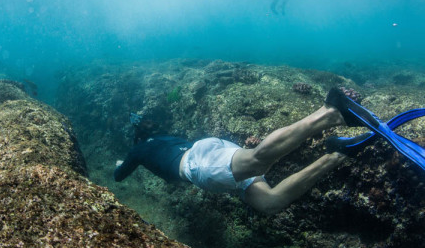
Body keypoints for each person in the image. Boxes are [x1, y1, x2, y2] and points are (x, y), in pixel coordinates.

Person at [114, 89, 350, 215]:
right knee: (271, 202)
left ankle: (329, 112)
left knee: (257, 160)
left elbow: (119, 175)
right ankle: (337, 154)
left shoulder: (138, 150)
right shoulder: (162, 137)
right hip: (208, 148)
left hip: (198, 164)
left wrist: (120, 163)